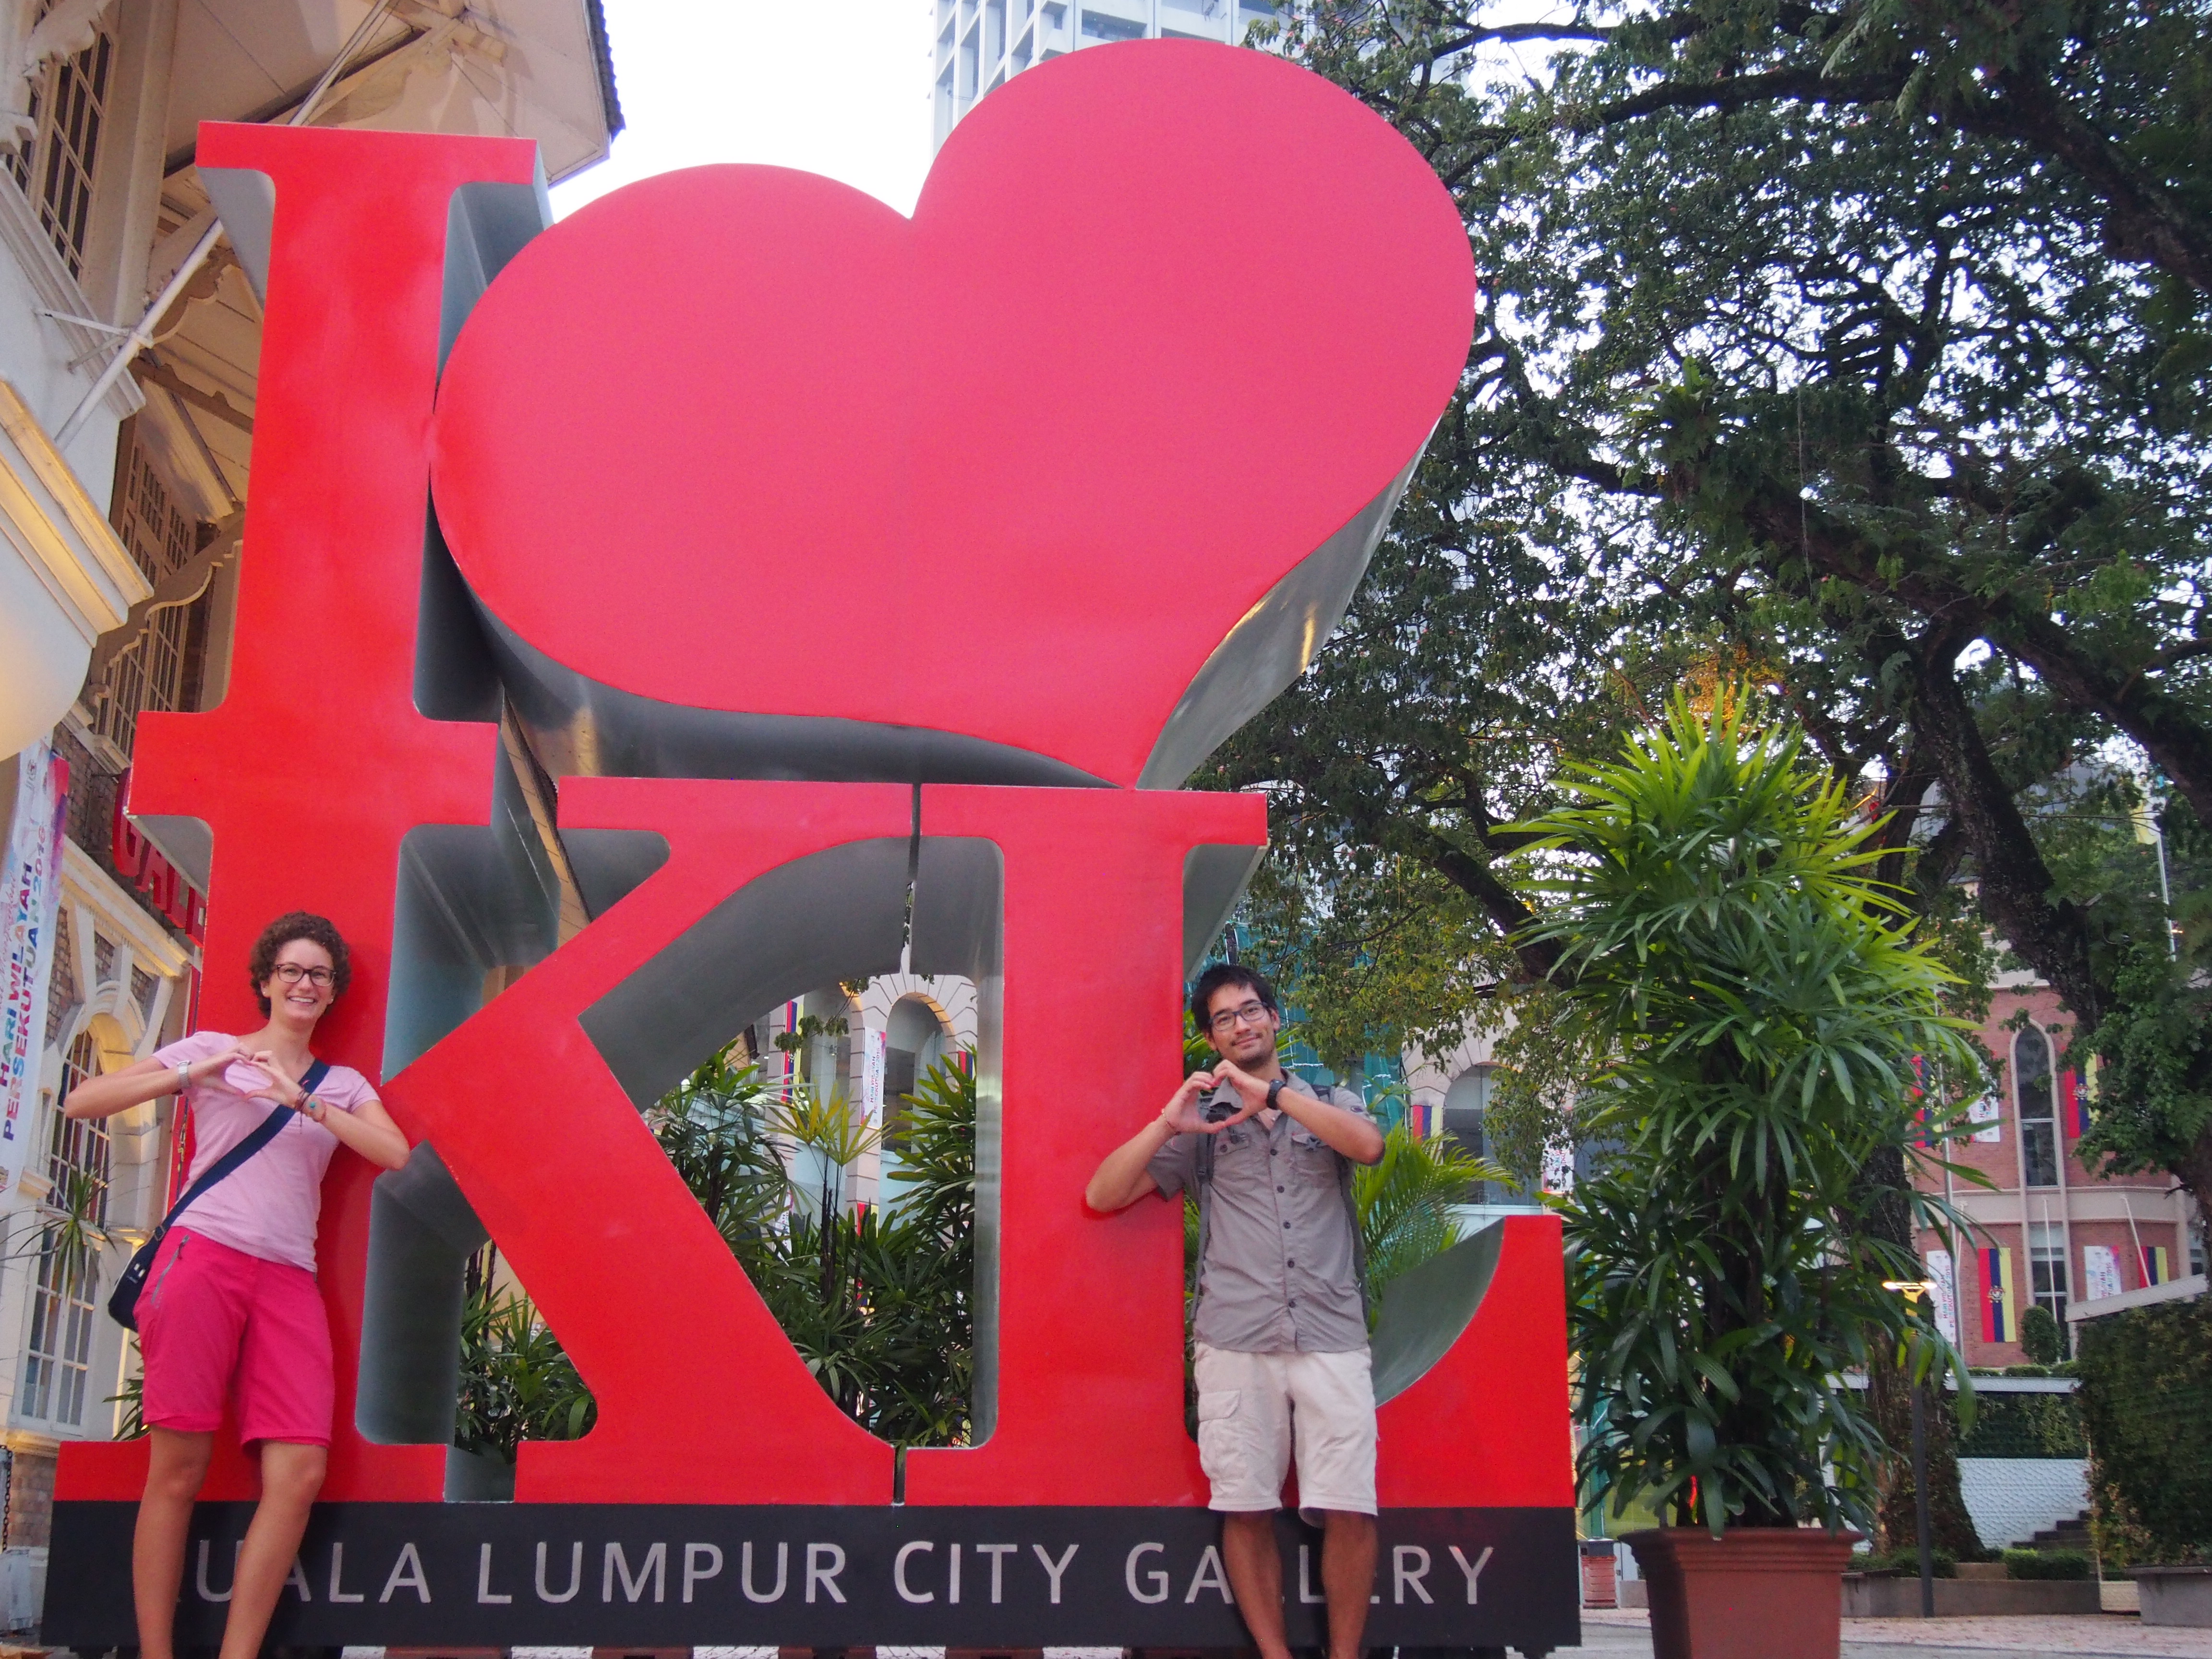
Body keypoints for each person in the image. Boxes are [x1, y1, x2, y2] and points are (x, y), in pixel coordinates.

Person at [63, 911, 410, 1659]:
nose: (305, 983)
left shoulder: (340, 1083)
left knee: (299, 1471)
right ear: (265, 980)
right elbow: (82, 1101)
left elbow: (395, 1151)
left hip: (289, 1277)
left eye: (319, 974)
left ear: (331, 992)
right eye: (291, 969)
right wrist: (194, 1074)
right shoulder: (213, 1050)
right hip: (202, 1259)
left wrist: (303, 1101)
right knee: (178, 1469)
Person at [1086, 963, 1387, 1659]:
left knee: (1351, 1504)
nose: (1242, 1024)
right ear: (1211, 1040)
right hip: (1235, 1339)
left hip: (1330, 1335)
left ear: (1275, 1018)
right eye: (1224, 1019)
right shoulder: (1203, 1129)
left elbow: (1368, 1147)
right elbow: (1103, 1195)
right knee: (1245, 1505)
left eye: (1250, 1010)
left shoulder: (1332, 1101)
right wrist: (1169, 1122)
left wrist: (1277, 1094)